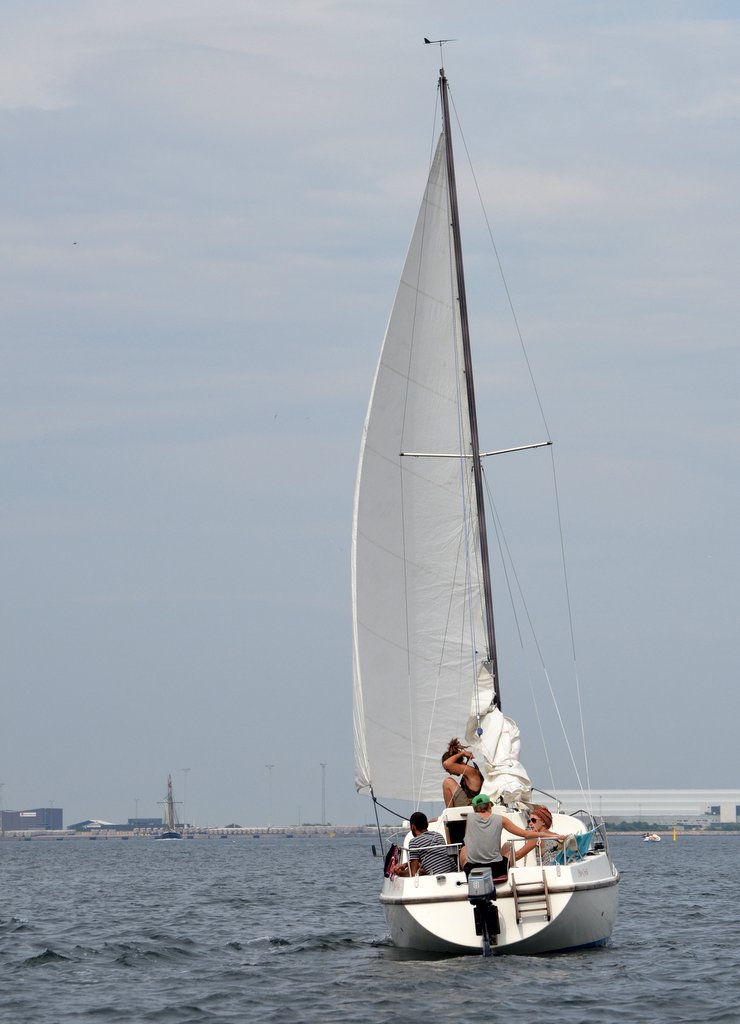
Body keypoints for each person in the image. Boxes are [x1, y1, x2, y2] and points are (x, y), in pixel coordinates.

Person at [460, 794, 565, 878]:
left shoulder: (469, 818)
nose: (530, 823)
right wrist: (542, 834)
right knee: (508, 845)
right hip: (496, 869)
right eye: (529, 820)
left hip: (472, 870)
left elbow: (468, 840)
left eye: (533, 820)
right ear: (489, 806)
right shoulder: (501, 819)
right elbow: (525, 834)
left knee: (464, 848)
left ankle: (462, 873)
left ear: (474, 808)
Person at [391, 811, 457, 877]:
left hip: (438, 877)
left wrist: (398, 873)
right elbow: (432, 858)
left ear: (413, 826)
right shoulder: (438, 835)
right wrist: (405, 865)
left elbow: (413, 873)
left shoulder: (414, 842)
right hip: (454, 874)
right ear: (427, 825)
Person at [441, 737, 484, 807]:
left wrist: (462, 754)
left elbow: (446, 764)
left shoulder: (471, 771)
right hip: (469, 804)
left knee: (447, 782)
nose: (450, 773)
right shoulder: (467, 771)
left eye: (448, 770)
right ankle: (449, 813)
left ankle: (449, 813)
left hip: (472, 806)